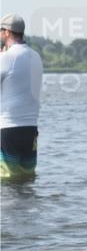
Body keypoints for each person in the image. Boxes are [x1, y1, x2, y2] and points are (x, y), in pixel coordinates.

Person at [1, 14, 43, 179]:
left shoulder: (7, 58)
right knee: (27, 180)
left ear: (7, 32)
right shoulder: (36, 56)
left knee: (7, 181)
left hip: (9, 128)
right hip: (30, 129)